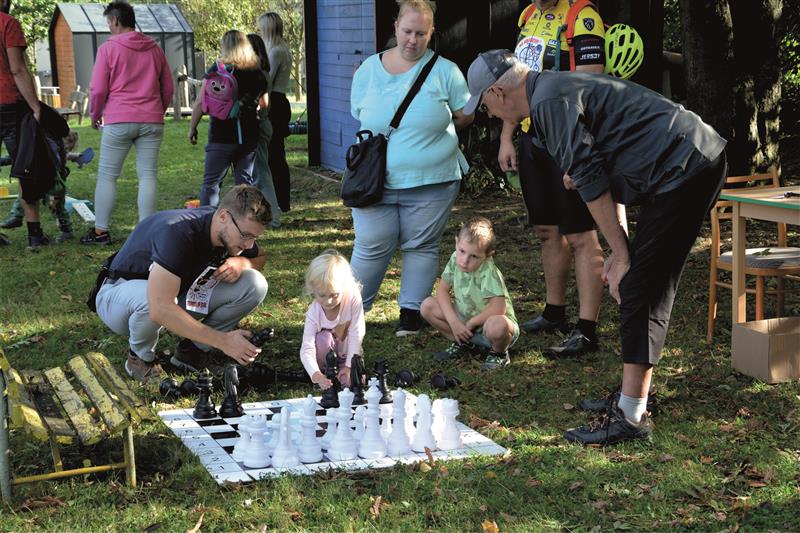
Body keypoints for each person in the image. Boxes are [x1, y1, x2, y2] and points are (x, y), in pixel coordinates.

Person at [465, 50, 727, 444]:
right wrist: (620, 247)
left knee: (642, 285)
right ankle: (632, 396)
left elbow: (591, 178)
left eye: (484, 104)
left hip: (687, 166)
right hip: (688, 161)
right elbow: (596, 170)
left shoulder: (549, 103)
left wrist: (621, 255)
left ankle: (631, 416)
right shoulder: (550, 90)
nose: (487, 113)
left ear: (498, 93)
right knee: (642, 279)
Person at [349, 0, 473, 336]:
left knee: (422, 245)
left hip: (434, 180)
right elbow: (360, 114)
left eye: (421, 33)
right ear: (395, 27)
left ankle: (411, 314)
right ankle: (349, 310)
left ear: (432, 32)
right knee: (371, 243)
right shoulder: (368, 71)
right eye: (407, 31)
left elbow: (465, 114)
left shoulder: (446, 71)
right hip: (375, 181)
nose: (412, 40)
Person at [500, 0, 611, 357]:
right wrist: (507, 136)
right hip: (534, 137)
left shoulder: (583, 16)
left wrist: (577, 153)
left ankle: (587, 329)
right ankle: (554, 312)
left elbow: (593, 88)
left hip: (568, 137)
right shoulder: (529, 15)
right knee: (547, 230)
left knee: (580, 234)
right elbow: (513, 83)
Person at [93, 185, 271, 382]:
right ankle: (139, 358)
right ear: (223, 217)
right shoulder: (178, 232)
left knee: (255, 284)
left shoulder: (228, 228)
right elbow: (159, 308)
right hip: (117, 298)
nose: (249, 244)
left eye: (254, 237)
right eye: (246, 235)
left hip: (173, 295)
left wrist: (242, 262)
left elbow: (260, 257)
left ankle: (191, 352)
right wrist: (223, 341)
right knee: (150, 298)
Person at [81, 1, 173, 246]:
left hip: (119, 119)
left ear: (115, 20)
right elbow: (168, 86)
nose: (108, 27)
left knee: (108, 177)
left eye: (108, 22)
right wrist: (156, 111)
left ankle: (101, 232)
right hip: (152, 119)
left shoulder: (108, 48)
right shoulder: (154, 48)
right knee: (148, 176)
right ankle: (146, 232)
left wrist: (95, 114)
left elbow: (98, 88)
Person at [420, 217, 519, 371]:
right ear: (456, 242)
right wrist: (454, 322)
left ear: (488, 255)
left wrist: (472, 323)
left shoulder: (488, 271)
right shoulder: (455, 259)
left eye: (474, 256)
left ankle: (499, 352)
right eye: (462, 251)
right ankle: (464, 342)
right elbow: (442, 291)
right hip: (465, 320)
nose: (464, 261)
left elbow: (498, 308)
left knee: (497, 325)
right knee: (427, 306)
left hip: (492, 324)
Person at [190, 30, 269, 207]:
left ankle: (206, 222)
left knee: (211, 183)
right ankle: (245, 225)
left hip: (221, 135)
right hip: (248, 136)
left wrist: (192, 128)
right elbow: (264, 103)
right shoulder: (257, 72)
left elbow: (200, 102)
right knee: (245, 184)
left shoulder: (217, 70)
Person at [0, 0, 48, 250]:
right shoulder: (8, 24)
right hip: (9, 104)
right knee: (25, 166)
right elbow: (18, 69)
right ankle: (34, 234)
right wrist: (36, 106)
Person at [1, 130, 93, 242]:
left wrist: (77, 156)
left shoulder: (60, 152)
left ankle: (67, 231)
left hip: (54, 188)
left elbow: (66, 155)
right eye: (65, 141)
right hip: (38, 182)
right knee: (24, 196)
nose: (66, 144)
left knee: (56, 208)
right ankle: (16, 217)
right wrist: (3, 160)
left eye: (69, 142)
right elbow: (19, 156)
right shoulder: (44, 147)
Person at [299, 249, 366, 390]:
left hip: (348, 354)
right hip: (325, 360)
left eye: (334, 295)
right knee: (323, 338)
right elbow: (307, 347)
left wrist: (350, 366)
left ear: (345, 287)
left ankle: (346, 371)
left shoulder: (353, 299)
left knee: (353, 384)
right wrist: (315, 374)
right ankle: (326, 375)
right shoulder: (314, 312)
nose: (328, 301)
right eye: (322, 295)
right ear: (313, 289)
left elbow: (357, 333)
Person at [258, 12, 293, 215]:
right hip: (280, 101)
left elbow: (266, 81)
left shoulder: (275, 52)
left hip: (275, 103)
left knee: (275, 155)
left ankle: (280, 200)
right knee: (276, 153)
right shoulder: (283, 49)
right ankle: (282, 199)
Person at [246, 32, 280, 228]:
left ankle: (273, 217)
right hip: (263, 125)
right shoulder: (262, 71)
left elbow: (264, 103)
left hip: (259, 125)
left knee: (261, 174)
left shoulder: (258, 73)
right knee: (258, 173)